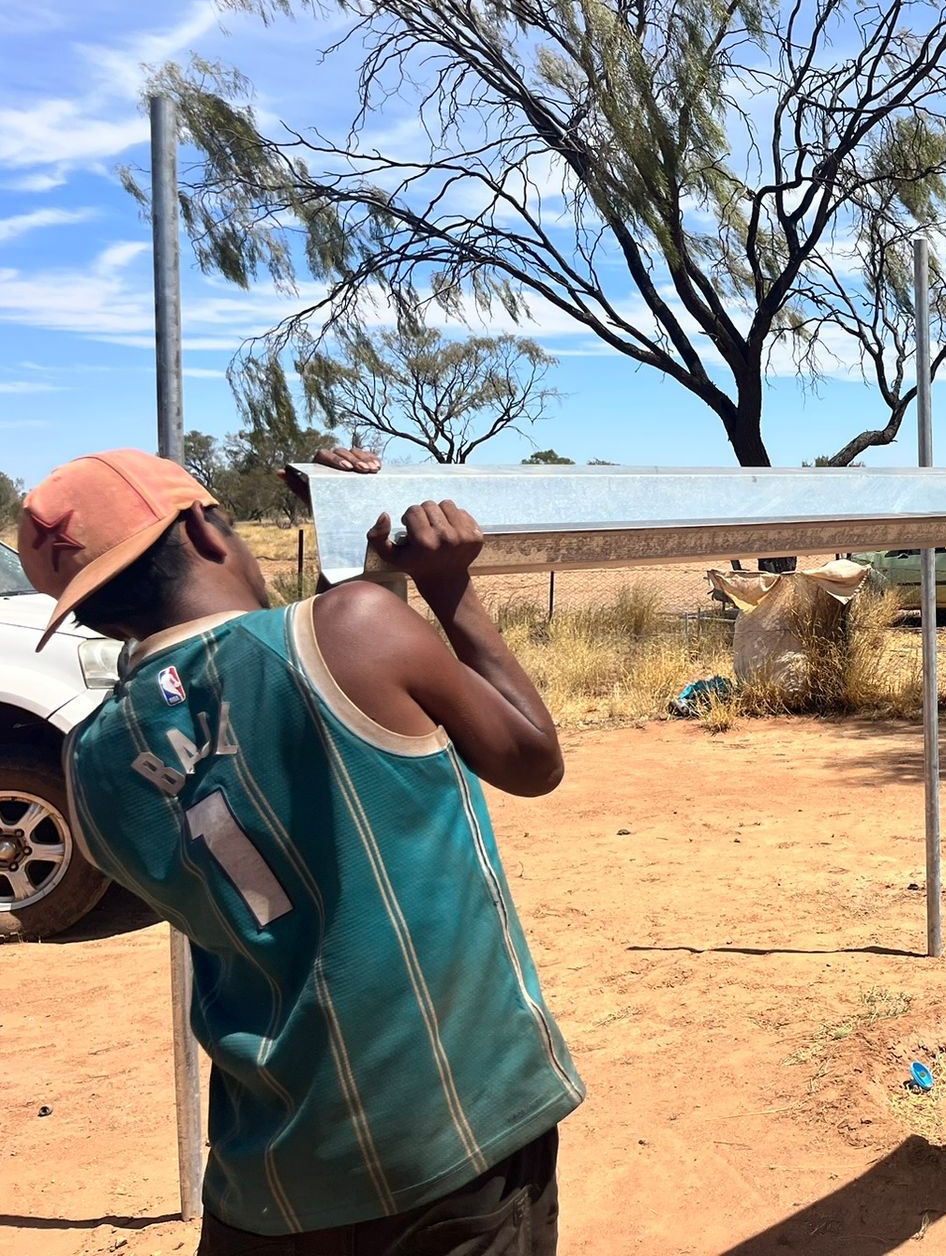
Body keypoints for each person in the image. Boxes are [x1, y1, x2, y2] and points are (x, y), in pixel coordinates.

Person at [20, 447, 583, 1253]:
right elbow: (532, 761)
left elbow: (268, 707)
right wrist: (447, 586)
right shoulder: (354, 630)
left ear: (88, 612)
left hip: (267, 1181)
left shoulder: (89, 764)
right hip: (445, 1136)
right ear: (205, 532)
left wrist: (357, 572)